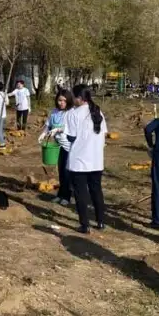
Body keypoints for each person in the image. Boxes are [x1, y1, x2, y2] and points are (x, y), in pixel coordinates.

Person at [64, 84, 108, 234]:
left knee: (81, 193)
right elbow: (103, 133)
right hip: (96, 159)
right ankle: (101, 221)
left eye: (73, 96)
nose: (72, 99)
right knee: (96, 190)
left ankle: (85, 225)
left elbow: (70, 136)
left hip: (80, 160)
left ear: (79, 98)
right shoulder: (98, 112)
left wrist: (58, 136)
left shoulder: (73, 114)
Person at [38, 89, 75, 206]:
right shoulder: (54, 112)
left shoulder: (70, 112)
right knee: (61, 171)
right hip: (60, 146)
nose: (61, 103)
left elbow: (71, 128)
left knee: (66, 172)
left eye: (64, 100)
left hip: (70, 147)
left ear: (68, 101)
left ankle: (67, 196)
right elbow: (48, 125)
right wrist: (43, 134)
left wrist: (59, 129)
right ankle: (60, 195)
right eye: (59, 100)